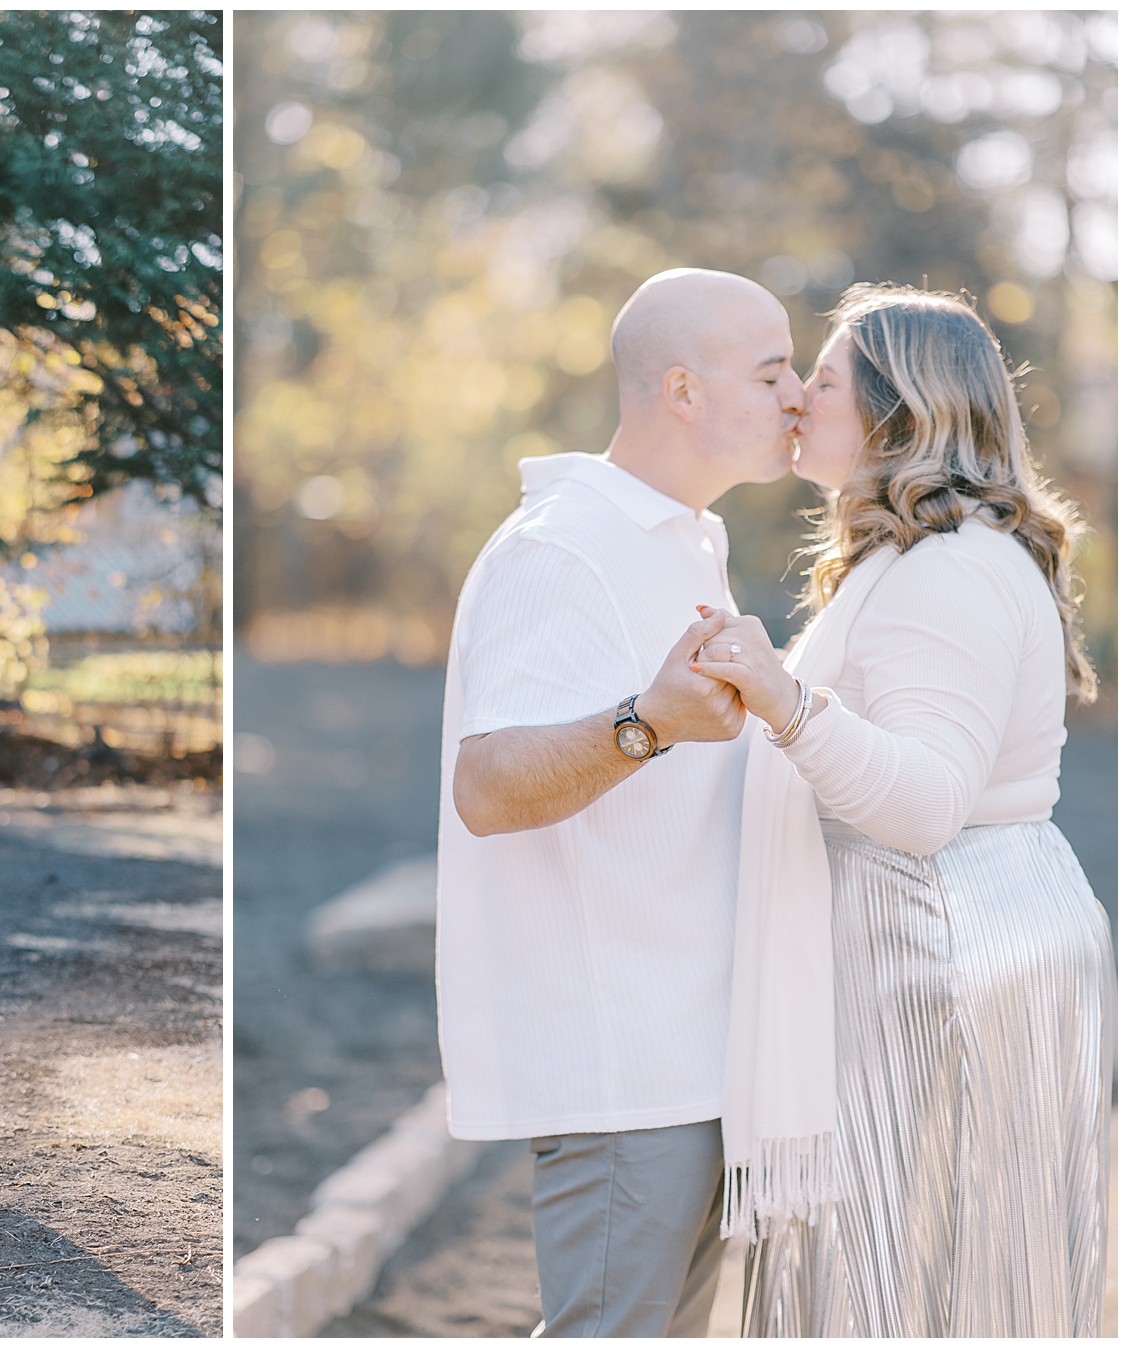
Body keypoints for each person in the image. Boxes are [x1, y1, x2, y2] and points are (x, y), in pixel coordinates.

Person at [693, 285, 1113, 1337]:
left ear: (898, 411)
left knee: (916, 1286)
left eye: (824, 380)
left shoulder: (951, 571)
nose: (799, 398)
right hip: (941, 939)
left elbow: (926, 803)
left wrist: (783, 700)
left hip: (940, 954)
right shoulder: (923, 559)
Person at [438, 268, 805, 1336]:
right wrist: (647, 722)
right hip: (626, 1065)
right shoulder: (562, 546)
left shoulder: (686, 537)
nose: (797, 396)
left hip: (701, 1051)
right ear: (683, 390)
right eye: (772, 372)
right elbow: (485, 786)